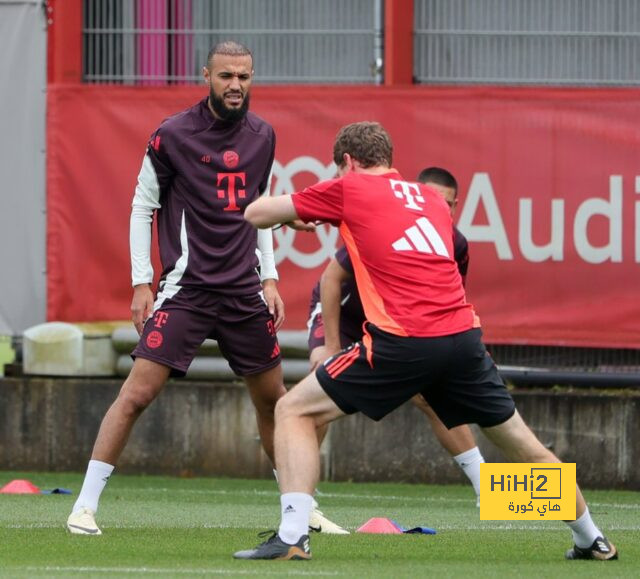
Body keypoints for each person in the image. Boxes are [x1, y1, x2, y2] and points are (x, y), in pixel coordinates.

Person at [234, 121, 617, 561]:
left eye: (340, 170)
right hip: (462, 339)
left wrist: (300, 214)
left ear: (347, 162)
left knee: (292, 409)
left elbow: (255, 214)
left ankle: (292, 536)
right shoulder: (432, 199)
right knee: (521, 442)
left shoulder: (349, 187)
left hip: (403, 340)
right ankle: (591, 538)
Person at [66, 40, 340, 536]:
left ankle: (300, 508)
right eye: (226, 76)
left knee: (274, 400)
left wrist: (270, 275)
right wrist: (141, 281)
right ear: (206, 76)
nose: (236, 85)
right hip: (186, 291)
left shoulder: (263, 136)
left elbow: (258, 210)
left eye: (244, 76)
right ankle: (83, 506)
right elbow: (141, 206)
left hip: (243, 293)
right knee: (136, 395)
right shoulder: (172, 134)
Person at [307, 167, 484, 505]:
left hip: (399, 325)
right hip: (350, 317)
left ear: (456, 206)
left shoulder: (456, 244)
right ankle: (590, 534)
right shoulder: (387, 223)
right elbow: (330, 281)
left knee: (438, 400)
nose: (436, 207)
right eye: (429, 197)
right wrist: (330, 347)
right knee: (316, 386)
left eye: (444, 203)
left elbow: (449, 303)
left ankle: (497, 490)